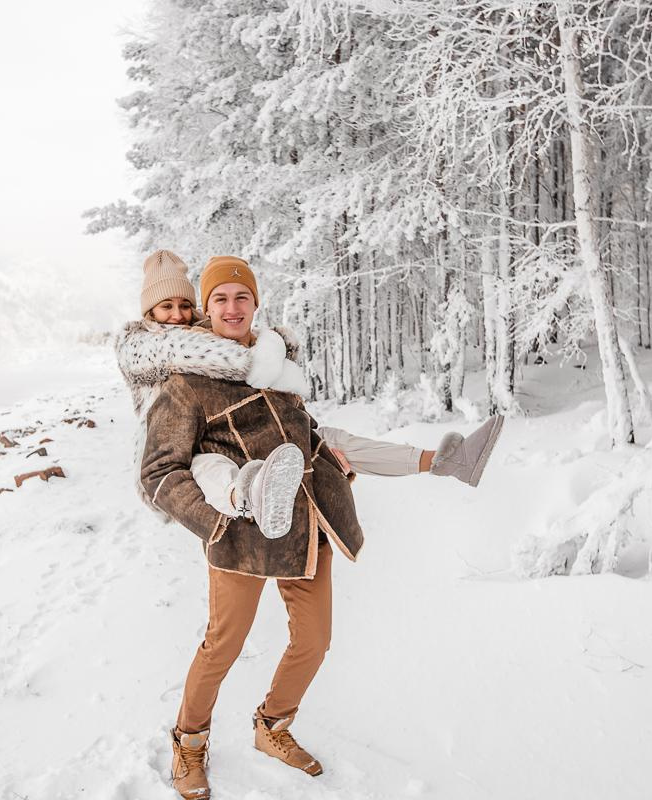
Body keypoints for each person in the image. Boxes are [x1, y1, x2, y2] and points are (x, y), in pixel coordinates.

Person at [135, 255, 501, 800]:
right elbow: (158, 473)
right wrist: (213, 519)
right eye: (220, 300)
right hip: (239, 538)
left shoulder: (274, 370)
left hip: (304, 529)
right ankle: (189, 742)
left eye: (241, 297)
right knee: (223, 645)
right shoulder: (186, 385)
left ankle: (272, 725)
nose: (232, 308)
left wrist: (334, 462)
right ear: (204, 312)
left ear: (255, 304)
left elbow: (304, 437)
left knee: (314, 641)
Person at [117, 250, 504, 537]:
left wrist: (269, 354)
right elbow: (201, 354)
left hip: (241, 441)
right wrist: (263, 354)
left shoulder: (209, 336)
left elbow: (240, 359)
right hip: (190, 450)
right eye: (166, 307)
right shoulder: (153, 348)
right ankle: (245, 494)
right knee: (211, 467)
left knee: (335, 440)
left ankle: (443, 460)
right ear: (149, 312)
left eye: (185, 306)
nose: (177, 315)